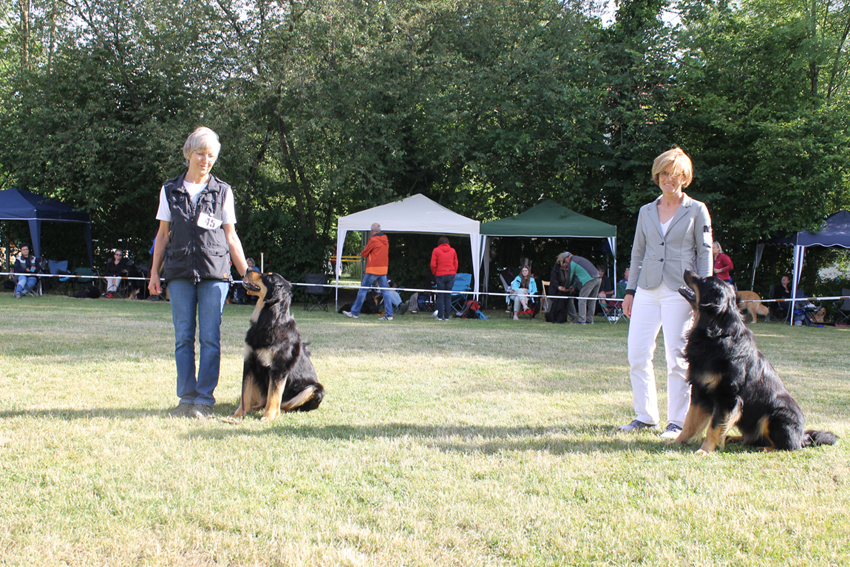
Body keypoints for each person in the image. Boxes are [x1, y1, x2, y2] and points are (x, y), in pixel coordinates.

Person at [149, 127, 249, 419]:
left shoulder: (223, 191)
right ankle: (186, 398)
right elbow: (162, 235)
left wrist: (248, 275)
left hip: (214, 274)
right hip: (178, 272)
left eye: (211, 155)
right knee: (183, 337)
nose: (206, 160)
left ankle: (204, 399)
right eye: (201, 153)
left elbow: (231, 237)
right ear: (188, 153)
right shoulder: (169, 190)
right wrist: (155, 272)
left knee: (209, 339)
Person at [618, 147, 713, 439]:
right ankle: (645, 417)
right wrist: (630, 291)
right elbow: (637, 253)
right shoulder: (646, 211)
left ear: (684, 177)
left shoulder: (697, 209)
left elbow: (705, 252)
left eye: (673, 174)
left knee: (677, 357)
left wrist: (703, 296)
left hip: (681, 292)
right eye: (662, 173)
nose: (667, 178)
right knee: (637, 353)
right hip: (646, 288)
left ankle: (677, 422)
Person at [342, 223, 393, 321]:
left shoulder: (373, 240)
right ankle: (389, 315)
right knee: (385, 292)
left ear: (372, 231)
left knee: (362, 291)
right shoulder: (385, 240)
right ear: (380, 230)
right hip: (383, 270)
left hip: (373, 269)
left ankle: (354, 312)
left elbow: (364, 253)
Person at [563, 251, 602, 324]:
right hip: (598, 278)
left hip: (590, 280)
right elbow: (578, 275)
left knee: (582, 299)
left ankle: (582, 320)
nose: (566, 263)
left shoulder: (572, 262)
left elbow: (570, 277)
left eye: (565, 261)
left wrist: (566, 287)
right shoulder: (579, 259)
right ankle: (590, 320)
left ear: (567, 258)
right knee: (592, 300)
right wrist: (574, 286)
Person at [430, 236, 458, 321]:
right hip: (451, 274)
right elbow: (456, 263)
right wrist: (453, 272)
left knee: (441, 296)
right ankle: (446, 317)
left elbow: (433, 264)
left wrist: (435, 273)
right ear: (448, 243)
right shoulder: (453, 250)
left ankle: (439, 316)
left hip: (440, 275)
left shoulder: (436, 250)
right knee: (448, 296)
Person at [545, 252, 577, 324]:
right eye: (563, 262)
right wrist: (558, 287)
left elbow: (573, 279)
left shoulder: (571, 268)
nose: (565, 264)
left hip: (566, 289)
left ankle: (573, 316)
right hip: (556, 289)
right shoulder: (555, 269)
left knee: (568, 301)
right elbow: (553, 280)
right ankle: (552, 316)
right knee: (555, 303)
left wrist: (571, 287)